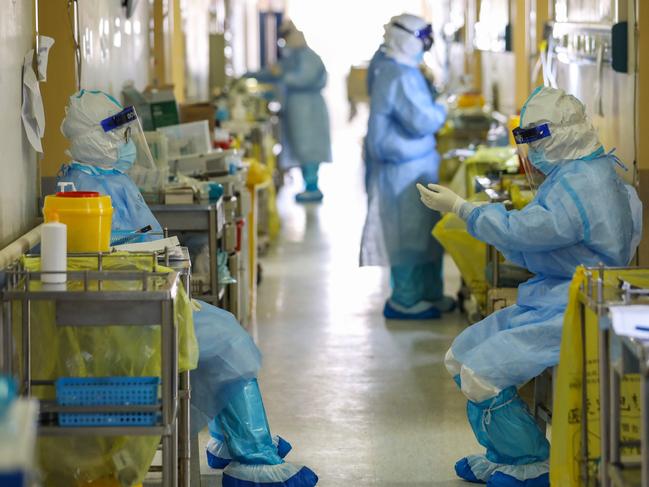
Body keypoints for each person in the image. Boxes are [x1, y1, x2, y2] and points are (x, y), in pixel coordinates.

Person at [58, 90, 318, 487]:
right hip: (129, 313)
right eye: (120, 137)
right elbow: (106, 254)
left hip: (147, 297)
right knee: (228, 340)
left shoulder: (110, 179)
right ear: (97, 138)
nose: (127, 146)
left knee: (223, 329)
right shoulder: (81, 185)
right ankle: (254, 455)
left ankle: (236, 439)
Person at [418, 86, 642, 486]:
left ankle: (530, 463)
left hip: (577, 306)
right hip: (551, 297)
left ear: (561, 134)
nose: (531, 154)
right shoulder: (583, 171)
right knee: (461, 355)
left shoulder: (581, 185)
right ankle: (506, 454)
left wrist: (462, 209)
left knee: (480, 374)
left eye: (535, 139)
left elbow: (527, 232)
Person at [360, 13, 454, 320]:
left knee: (425, 233)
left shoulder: (392, 65)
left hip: (412, 164)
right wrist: (442, 106)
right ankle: (406, 299)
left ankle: (429, 293)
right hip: (402, 168)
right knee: (409, 236)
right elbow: (423, 120)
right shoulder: (398, 74)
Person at [251, 20, 331, 203]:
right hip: (297, 109)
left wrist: (281, 75)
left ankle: (312, 186)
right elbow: (273, 73)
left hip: (309, 110)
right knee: (301, 147)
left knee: (309, 149)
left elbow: (302, 77)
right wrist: (250, 75)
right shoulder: (292, 57)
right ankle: (308, 185)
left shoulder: (308, 57)